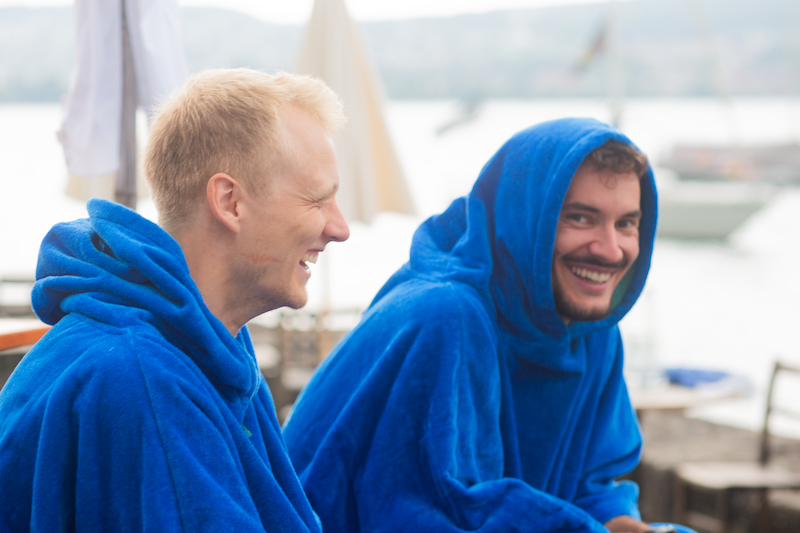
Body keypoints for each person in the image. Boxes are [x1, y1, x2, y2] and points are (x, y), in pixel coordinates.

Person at [284, 118, 690, 532]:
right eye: (580, 219)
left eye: (626, 224)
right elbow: (434, 510)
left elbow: (591, 490)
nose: (610, 249)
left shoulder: (593, 334)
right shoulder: (446, 314)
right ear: (524, 217)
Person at [0, 69, 349, 532]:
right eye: (317, 200)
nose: (339, 228)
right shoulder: (143, 381)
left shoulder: (211, 348)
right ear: (230, 202)